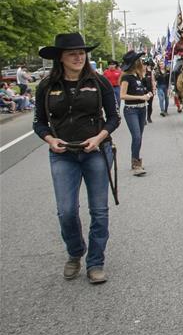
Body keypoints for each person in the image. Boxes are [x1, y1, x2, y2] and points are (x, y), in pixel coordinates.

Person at [33, 33, 120, 284]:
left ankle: (95, 262)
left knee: (99, 211)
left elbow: (114, 117)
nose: (78, 57)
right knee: (66, 211)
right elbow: (39, 122)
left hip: (95, 152)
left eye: (82, 52)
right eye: (72, 53)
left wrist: (99, 137)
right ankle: (75, 252)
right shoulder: (46, 86)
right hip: (63, 155)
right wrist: (50, 140)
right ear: (60, 57)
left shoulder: (99, 82)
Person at [119, 51, 151, 175]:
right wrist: (141, 97)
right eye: (140, 60)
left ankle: (136, 158)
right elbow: (122, 95)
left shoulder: (138, 77)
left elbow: (141, 92)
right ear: (135, 63)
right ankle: (136, 164)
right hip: (131, 110)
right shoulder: (126, 77)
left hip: (142, 109)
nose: (142, 62)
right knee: (136, 136)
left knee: (139, 137)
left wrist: (147, 95)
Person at [141, 56, 156, 124]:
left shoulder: (150, 72)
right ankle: (143, 119)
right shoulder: (138, 73)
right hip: (140, 92)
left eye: (145, 65)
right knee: (142, 105)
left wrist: (154, 90)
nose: (144, 66)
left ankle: (149, 117)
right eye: (143, 65)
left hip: (149, 91)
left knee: (149, 105)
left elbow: (153, 81)